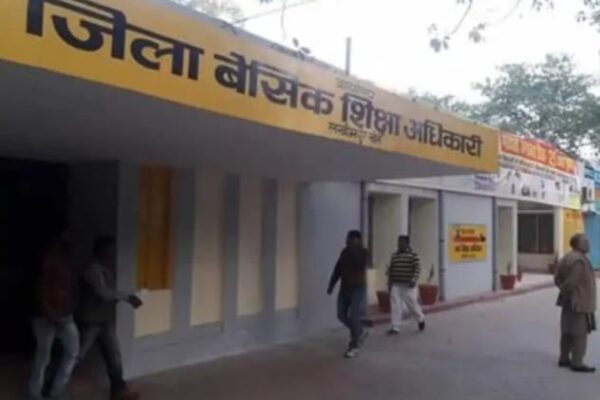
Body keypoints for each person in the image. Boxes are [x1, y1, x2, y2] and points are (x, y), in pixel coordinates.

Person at [78, 236, 143, 400]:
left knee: (114, 356)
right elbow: (103, 292)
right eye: (110, 249)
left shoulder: (106, 267)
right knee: (75, 355)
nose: (113, 252)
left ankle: (119, 391)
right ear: (101, 250)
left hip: (104, 319)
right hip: (91, 320)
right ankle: (51, 385)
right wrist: (127, 298)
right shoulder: (93, 269)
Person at [29, 236, 79, 400]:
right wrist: (51, 315)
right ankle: (36, 393)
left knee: (72, 351)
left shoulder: (69, 262)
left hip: (64, 315)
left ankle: (57, 390)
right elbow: (41, 289)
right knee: (44, 356)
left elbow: (71, 288)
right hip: (47, 316)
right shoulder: (50, 260)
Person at [555, 233, 597, 373]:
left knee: (567, 331)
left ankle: (564, 358)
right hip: (578, 302)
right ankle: (577, 362)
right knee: (579, 333)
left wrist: (564, 293)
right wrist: (570, 294)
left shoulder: (567, 257)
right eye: (585, 241)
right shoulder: (579, 261)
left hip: (569, 301)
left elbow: (557, 279)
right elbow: (571, 283)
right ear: (577, 244)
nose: (588, 243)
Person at [327, 230, 371, 359]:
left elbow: (360, 264)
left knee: (354, 315)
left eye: (350, 239)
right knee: (341, 315)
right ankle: (360, 331)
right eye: (347, 238)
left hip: (358, 288)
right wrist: (331, 285)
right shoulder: (344, 252)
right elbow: (338, 269)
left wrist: (353, 249)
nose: (346, 241)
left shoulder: (364, 252)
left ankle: (354, 345)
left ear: (357, 240)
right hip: (345, 288)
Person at [386, 235, 426, 335]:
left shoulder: (413, 256)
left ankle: (420, 319)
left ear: (407, 244)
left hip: (408, 285)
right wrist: (389, 282)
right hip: (396, 284)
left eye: (402, 243)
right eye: (399, 243)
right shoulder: (394, 256)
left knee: (411, 303)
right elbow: (391, 270)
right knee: (395, 305)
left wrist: (413, 280)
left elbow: (417, 269)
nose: (400, 245)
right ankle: (395, 327)